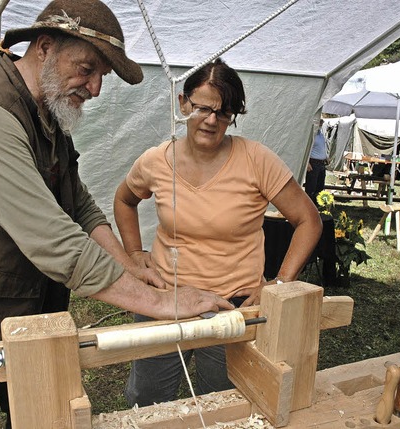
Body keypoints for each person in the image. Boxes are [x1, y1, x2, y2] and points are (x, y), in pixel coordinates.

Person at [0, 1, 233, 426]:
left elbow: (79, 205)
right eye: (87, 69)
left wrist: (128, 264)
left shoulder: (45, 115)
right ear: (44, 47)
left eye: (101, 77)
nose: (94, 89)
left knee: (46, 417)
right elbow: (52, 238)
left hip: (22, 319)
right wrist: (160, 302)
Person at [113, 58, 322, 407]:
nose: (211, 120)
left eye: (223, 113)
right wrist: (135, 255)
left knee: (225, 401)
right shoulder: (156, 161)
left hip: (232, 305)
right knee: (148, 400)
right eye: (202, 108)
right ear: (183, 103)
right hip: (164, 299)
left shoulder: (256, 159)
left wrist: (281, 282)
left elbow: (308, 219)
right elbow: (124, 199)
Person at [305, 118, 328, 204]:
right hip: (313, 163)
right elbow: (306, 149)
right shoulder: (312, 135)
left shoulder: (320, 134)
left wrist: (326, 157)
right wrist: (307, 162)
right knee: (311, 187)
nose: (322, 122)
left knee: (320, 187)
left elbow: (321, 147)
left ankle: (317, 206)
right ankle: (309, 206)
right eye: (320, 121)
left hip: (321, 163)